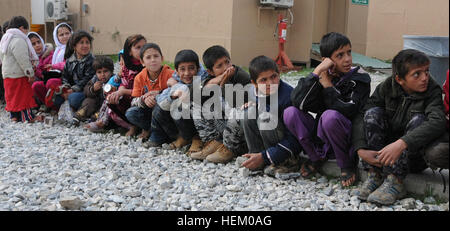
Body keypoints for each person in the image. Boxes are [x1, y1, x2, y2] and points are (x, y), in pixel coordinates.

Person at [352, 49, 447, 205]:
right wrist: (360, 149)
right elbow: (362, 115)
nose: (425, 78)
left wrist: (402, 143)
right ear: (399, 79)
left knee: (420, 120)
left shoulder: (432, 89)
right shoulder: (387, 86)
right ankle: (375, 175)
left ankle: (396, 182)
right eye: (417, 74)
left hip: (413, 158)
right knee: (372, 113)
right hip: (384, 156)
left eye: (426, 71)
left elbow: (438, 121)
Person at [283, 32, 371, 187]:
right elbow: (298, 101)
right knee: (290, 113)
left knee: (330, 116)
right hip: (323, 137)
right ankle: (316, 157)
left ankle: (346, 164)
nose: (347, 59)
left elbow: (349, 110)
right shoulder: (323, 75)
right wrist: (316, 73)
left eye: (349, 52)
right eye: (340, 55)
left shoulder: (360, 78)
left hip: (346, 139)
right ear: (327, 60)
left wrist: (329, 87)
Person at [189, 45, 251, 163]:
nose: (226, 67)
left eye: (227, 62)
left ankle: (229, 148)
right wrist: (214, 81)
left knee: (237, 111)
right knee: (195, 104)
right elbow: (192, 93)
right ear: (210, 72)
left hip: (239, 129)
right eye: (219, 66)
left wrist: (223, 82)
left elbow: (236, 104)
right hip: (223, 122)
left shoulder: (240, 75)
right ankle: (213, 143)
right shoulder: (209, 76)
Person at [240, 56, 301, 173]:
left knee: (265, 118)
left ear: (279, 74)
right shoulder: (256, 93)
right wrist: (255, 105)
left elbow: (295, 139)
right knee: (249, 113)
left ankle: (285, 162)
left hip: (287, 148)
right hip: (269, 145)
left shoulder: (289, 97)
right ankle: (254, 157)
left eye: (274, 76)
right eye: (264, 80)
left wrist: (269, 155)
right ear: (254, 83)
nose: (271, 83)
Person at [146, 49, 207, 152]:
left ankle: (197, 139)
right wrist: (174, 93)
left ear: (198, 68)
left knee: (180, 107)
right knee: (159, 108)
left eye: (191, 68)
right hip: (183, 121)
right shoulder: (175, 80)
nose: (187, 73)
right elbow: (163, 101)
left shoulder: (204, 80)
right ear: (177, 71)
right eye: (182, 69)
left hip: (201, 121)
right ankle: (183, 137)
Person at [125, 43, 174, 140]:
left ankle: (163, 135)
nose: (153, 60)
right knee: (130, 113)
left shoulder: (170, 74)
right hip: (148, 111)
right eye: (148, 57)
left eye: (156, 56)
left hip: (166, 112)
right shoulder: (139, 77)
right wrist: (144, 100)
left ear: (162, 58)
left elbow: (177, 91)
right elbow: (133, 101)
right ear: (142, 62)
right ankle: (150, 129)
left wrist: (159, 94)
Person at [103, 35, 146, 136]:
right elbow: (123, 82)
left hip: (141, 99)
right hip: (128, 96)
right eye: (138, 47)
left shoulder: (146, 67)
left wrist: (122, 92)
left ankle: (143, 127)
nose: (142, 50)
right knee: (111, 99)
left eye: (144, 46)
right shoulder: (127, 66)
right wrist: (119, 92)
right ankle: (131, 125)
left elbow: (143, 90)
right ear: (130, 51)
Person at [0, 16, 39, 122]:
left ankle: (14, 116)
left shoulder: (6, 38)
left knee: (12, 96)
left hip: (7, 74)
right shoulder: (18, 40)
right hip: (18, 74)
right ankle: (27, 117)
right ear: (22, 28)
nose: (26, 33)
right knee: (23, 96)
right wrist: (30, 73)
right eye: (26, 30)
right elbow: (23, 59)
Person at [72, 56, 116, 125]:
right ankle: (80, 115)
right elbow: (86, 90)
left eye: (105, 71)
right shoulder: (95, 80)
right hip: (96, 102)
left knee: (108, 106)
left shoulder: (114, 80)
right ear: (96, 73)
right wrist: (93, 89)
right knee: (89, 101)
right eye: (99, 72)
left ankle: (96, 117)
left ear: (111, 71)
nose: (102, 74)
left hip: (106, 103)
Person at [60, 30, 95, 111]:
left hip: (85, 91)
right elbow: (65, 76)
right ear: (74, 46)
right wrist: (66, 88)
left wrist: (73, 90)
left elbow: (87, 79)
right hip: (71, 89)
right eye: (81, 42)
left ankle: (79, 108)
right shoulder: (70, 60)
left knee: (73, 98)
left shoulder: (91, 60)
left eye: (87, 42)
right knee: (55, 93)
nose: (85, 45)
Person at [28, 32, 54, 107]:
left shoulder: (50, 55)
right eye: (33, 44)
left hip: (48, 84)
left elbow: (47, 75)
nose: (37, 45)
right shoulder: (30, 58)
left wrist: (36, 69)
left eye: (38, 42)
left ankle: (47, 105)